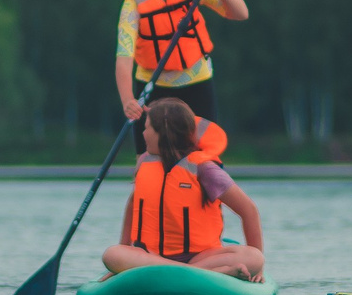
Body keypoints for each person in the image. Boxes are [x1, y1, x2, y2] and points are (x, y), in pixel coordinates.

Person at [113, 0, 248, 154]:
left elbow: (240, 13)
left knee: (204, 158)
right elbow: (124, 59)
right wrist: (128, 100)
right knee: (147, 162)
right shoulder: (132, 5)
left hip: (197, 83)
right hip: (152, 89)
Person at [102, 98, 266, 282]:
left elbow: (249, 210)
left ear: (163, 132)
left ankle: (179, 271)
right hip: (149, 255)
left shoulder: (205, 169)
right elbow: (133, 203)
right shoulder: (145, 163)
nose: (143, 133)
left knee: (254, 258)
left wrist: (258, 271)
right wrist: (125, 250)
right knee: (112, 254)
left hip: (200, 256)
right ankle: (206, 273)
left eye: (147, 128)